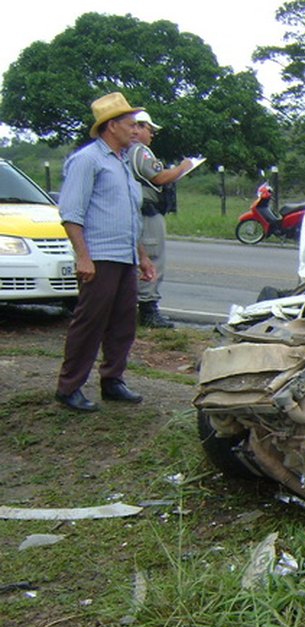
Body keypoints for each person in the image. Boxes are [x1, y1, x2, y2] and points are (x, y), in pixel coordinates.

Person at [54, 92, 156, 412]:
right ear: (111, 126)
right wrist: (83, 257)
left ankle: (113, 380)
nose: (136, 130)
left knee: (124, 322)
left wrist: (142, 255)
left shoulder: (123, 162)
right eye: (130, 124)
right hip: (99, 256)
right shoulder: (88, 160)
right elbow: (71, 213)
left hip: (124, 254)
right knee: (90, 322)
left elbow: (128, 214)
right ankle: (69, 387)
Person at [130, 110, 195, 328]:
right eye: (150, 129)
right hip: (146, 211)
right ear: (137, 128)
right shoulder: (140, 151)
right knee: (152, 255)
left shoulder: (123, 152)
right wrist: (183, 167)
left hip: (137, 210)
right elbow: (159, 177)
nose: (152, 135)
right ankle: (148, 308)